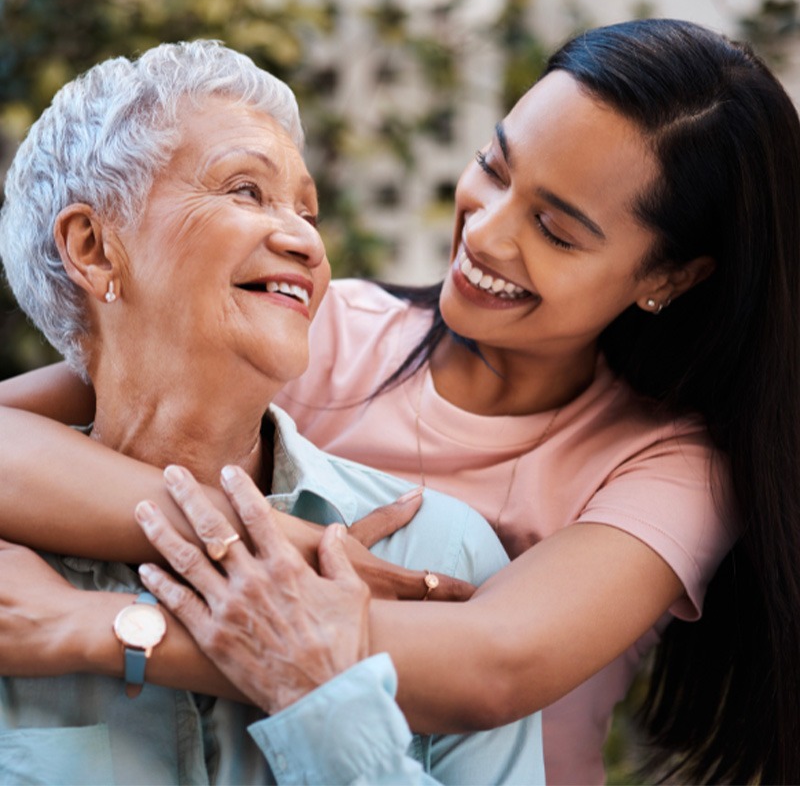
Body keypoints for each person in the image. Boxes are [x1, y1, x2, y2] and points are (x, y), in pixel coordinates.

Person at [1, 16, 799, 784]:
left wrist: (105, 630)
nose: (486, 233)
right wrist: (302, 543)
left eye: (556, 231)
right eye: (494, 165)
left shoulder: (672, 465)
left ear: (668, 277)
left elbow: (490, 664)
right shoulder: (320, 330)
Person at [0, 40, 544, 785]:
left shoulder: (432, 556)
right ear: (94, 249)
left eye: (307, 209)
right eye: (245, 191)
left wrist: (314, 694)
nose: (304, 240)